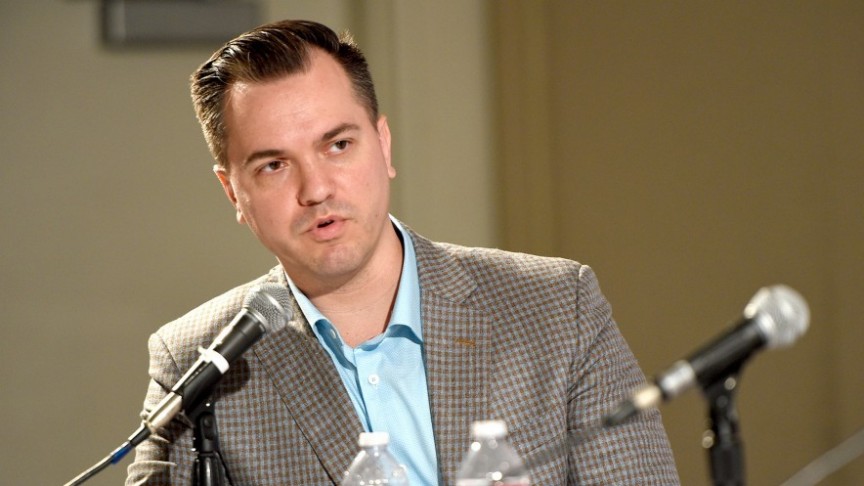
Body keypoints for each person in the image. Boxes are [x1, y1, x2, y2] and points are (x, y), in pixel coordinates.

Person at [126, 19, 680, 485]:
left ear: (383, 145)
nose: (316, 189)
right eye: (273, 165)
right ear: (234, 194)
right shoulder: (195, 363)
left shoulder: (558, 306)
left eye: (338, 145)